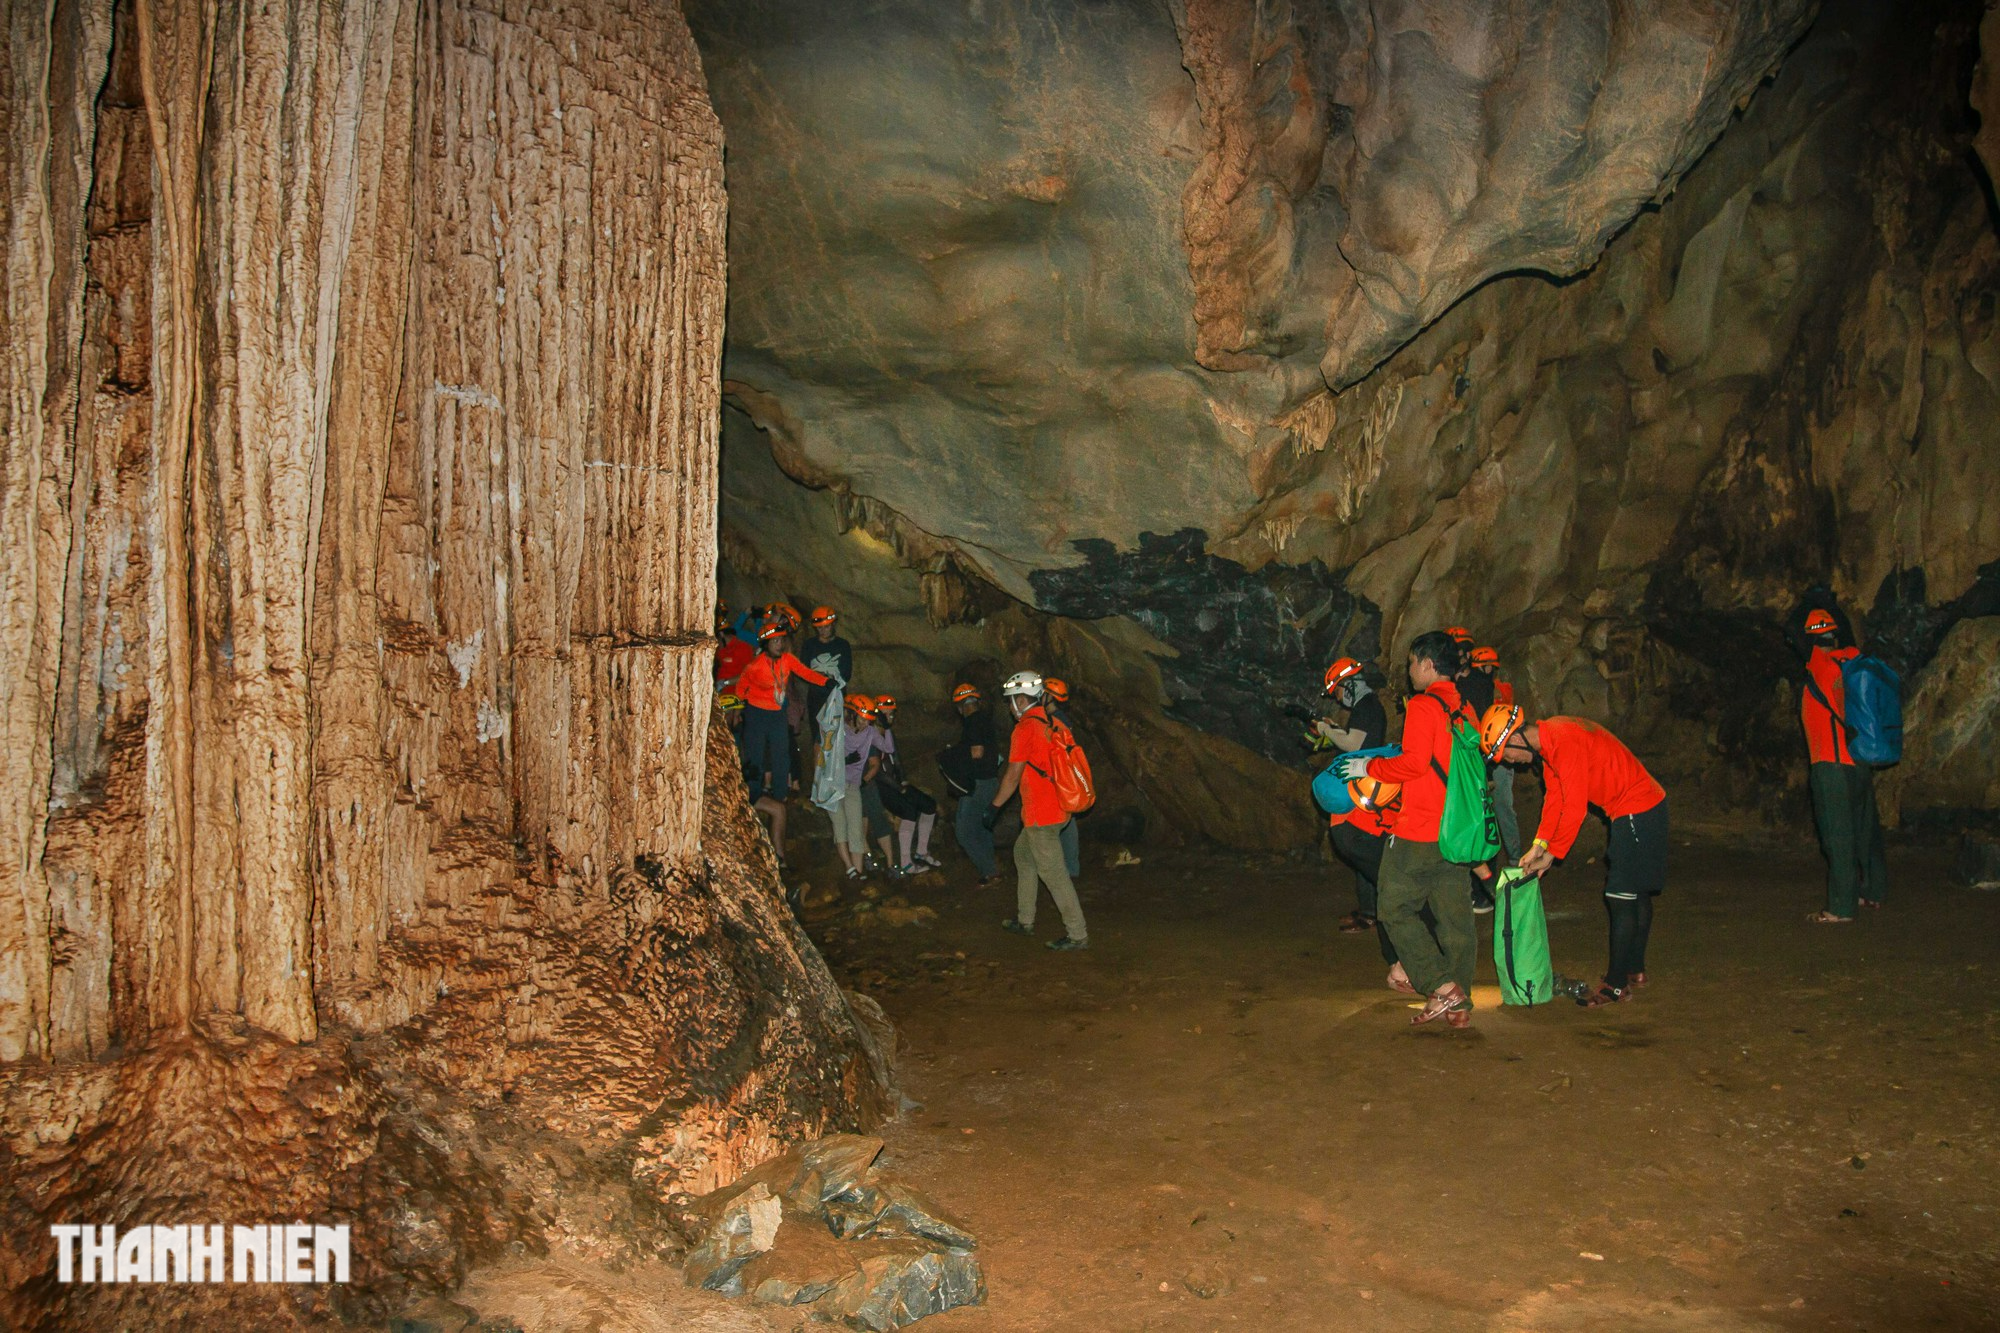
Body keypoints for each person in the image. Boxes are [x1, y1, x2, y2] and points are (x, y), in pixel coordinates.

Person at [1333, 631, 1477, 1026]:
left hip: (1420, 827)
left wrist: (1368, 767)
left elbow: (1413, 764)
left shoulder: (1423, 706)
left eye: (1413, 662)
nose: (1409, 669)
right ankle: (1460, 1006)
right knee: (1455, 920)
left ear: (1429, 664)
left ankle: (1441, 985)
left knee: (1393, 908)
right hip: (1458, 828)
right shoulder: (1466, 707)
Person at [1481, 703, 1667, 1007]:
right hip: (1643, 805)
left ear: (1515, 737)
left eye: (1507, 755)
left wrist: (1553, 854)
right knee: (1636, 893)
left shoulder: (1563, 740)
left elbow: (1576, 807)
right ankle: (1635, 969)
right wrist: (1539, 844)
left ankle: (1616, 985)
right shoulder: (1552, 741)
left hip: (1636, 808)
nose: (1511, 763)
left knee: (1620, 895)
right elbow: (1556, 798)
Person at [985, 671, 1088, 951]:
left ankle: (1077, 934)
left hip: (1042, 814)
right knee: (1023, 856)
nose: (1009, 707)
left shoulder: (1026, 728)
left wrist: (994, 807)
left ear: (1021, 700)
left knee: (1053, 873)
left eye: (1011, 702)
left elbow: (1012, 774)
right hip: (1058, 808)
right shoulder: (1054, 723)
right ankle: (1025, 919)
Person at [1799, 605, 1888, 922]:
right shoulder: (1854, 661)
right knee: (1865, 831)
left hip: (1831, 764)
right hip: (1860, 761)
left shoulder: (1821, 667)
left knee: (1838, 836)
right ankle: (1873, 892)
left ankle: (1841, 907)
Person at [734, 619, 830, 843]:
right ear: (766, 644)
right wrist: (738, 711)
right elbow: (741, 687)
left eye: (781, 640)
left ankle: (780, 793)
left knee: (781, 752)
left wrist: (825, 682)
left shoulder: (787, 660)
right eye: (774, 641)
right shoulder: (755, 665)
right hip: (757, 714)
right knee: (756, 754)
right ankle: (754, 791)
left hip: (777, 713)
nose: (779, 644)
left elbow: (805, 673)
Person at [1316, 657, 1389, 933]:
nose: (1336, 696)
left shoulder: (1368, 706)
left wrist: (1327, 731)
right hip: (1363, 785)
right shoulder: (1365, 707)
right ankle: (1369, 910)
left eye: (1336, 690)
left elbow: (1354, 744)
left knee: (1360, 846)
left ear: (1347, 684)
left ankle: (1375, 912)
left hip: (1364, 789)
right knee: (1361, 848)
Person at [872, 694, 941, 876]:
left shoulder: (888, 733)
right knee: (908, 811)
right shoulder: (870, 735)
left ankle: (921, 851)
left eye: (892, 714)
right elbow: (877, 770)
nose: (889, 717)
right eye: (886, 713)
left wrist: (903, 780)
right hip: (880, 786)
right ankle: (905, 862)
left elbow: (896, 759)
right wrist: (898, 788)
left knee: (929, 805)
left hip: (894, 782)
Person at [949, 684, 1003, 884]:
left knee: (963, 832)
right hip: (990, 781)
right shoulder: (986, 721)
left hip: (978, 784)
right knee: (982, 827)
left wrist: (952, 754)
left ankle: (989, 871)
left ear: (960, 707)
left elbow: (976, 751)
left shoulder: (972, 722)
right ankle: (990, 869)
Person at [1470, 646, 1520, 859]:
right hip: (1482, 755)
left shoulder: (1499, 691)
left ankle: (1516, 857)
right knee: (1485, 809)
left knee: (1502, 807)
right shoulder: (1475, 690)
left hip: (1501, 756)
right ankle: (1485, 857)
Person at [829, 694, 879, 879]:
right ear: (852, 714)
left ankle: (858, 871)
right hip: (833, 786)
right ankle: (850, 868)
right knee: (840, 825)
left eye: (868, 721)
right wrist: (843, 760)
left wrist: (864, 780)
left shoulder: (866, 735)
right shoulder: (836, 728)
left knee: (856, 827)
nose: (865, 724)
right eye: (862, 719)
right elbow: (823, 757)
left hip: (852, 786)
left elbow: (877, 759)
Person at [1044, 679, 1083, 880]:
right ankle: (1070, 868)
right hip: (1062, 776)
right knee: (1067, 822)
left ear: (1049, 696)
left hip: (1059, 777)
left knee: (1064, 823)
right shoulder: (1060, 718)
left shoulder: (1058, 721)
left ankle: (1068, 869)